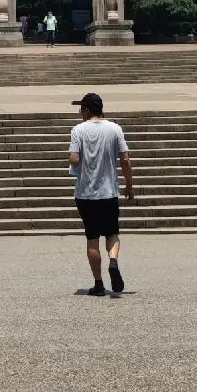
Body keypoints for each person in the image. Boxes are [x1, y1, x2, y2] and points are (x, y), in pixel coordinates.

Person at [68, 92, 132, 296]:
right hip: (109, 192)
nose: (80, 113)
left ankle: (98, 284)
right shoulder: (115, 129)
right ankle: (113, 261)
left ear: (86, 111)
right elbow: (125, 160)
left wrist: (79, 163)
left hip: (86, 194)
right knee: (112, 233)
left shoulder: (78, 130)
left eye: (81, 109)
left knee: (92, 238)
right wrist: (129, 184)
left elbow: (74, 158)